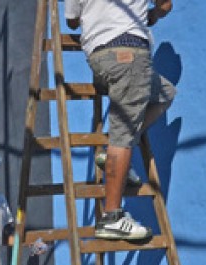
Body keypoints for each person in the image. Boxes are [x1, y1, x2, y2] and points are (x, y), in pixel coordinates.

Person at [65, 0, 176, 240]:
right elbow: (165, 5)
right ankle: (112, 217)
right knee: (122, 136)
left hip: (99, 59)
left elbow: (72, 21)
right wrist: (153, 15)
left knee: (165, 93)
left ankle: (112, 157)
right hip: (130, 53)